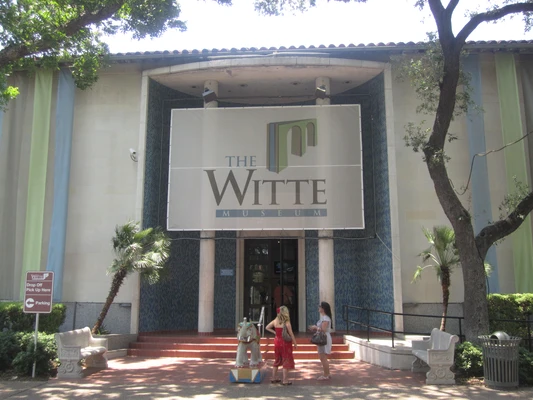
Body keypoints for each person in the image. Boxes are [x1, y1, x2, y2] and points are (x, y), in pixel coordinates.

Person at [265, 305, 297, 385]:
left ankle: (274, 378)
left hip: (277, 341)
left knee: (277, 359)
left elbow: (267, 327)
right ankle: (285, 380)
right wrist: (295, 343)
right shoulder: (287, 322)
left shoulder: (275, 320)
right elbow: (291, 333)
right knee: (286, 360)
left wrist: (275, 332)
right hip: (285, 343)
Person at [308, 301, 333, 380]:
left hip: (323, 338)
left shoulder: (325, 318)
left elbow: (323, 329)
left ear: (323, 308)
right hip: (323, 337)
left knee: (323, 357)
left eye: (320, 306)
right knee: (322, 356)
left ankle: (326, 374)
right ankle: (327, 373)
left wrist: (315, 327)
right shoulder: (324, 318)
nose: (318, 308)